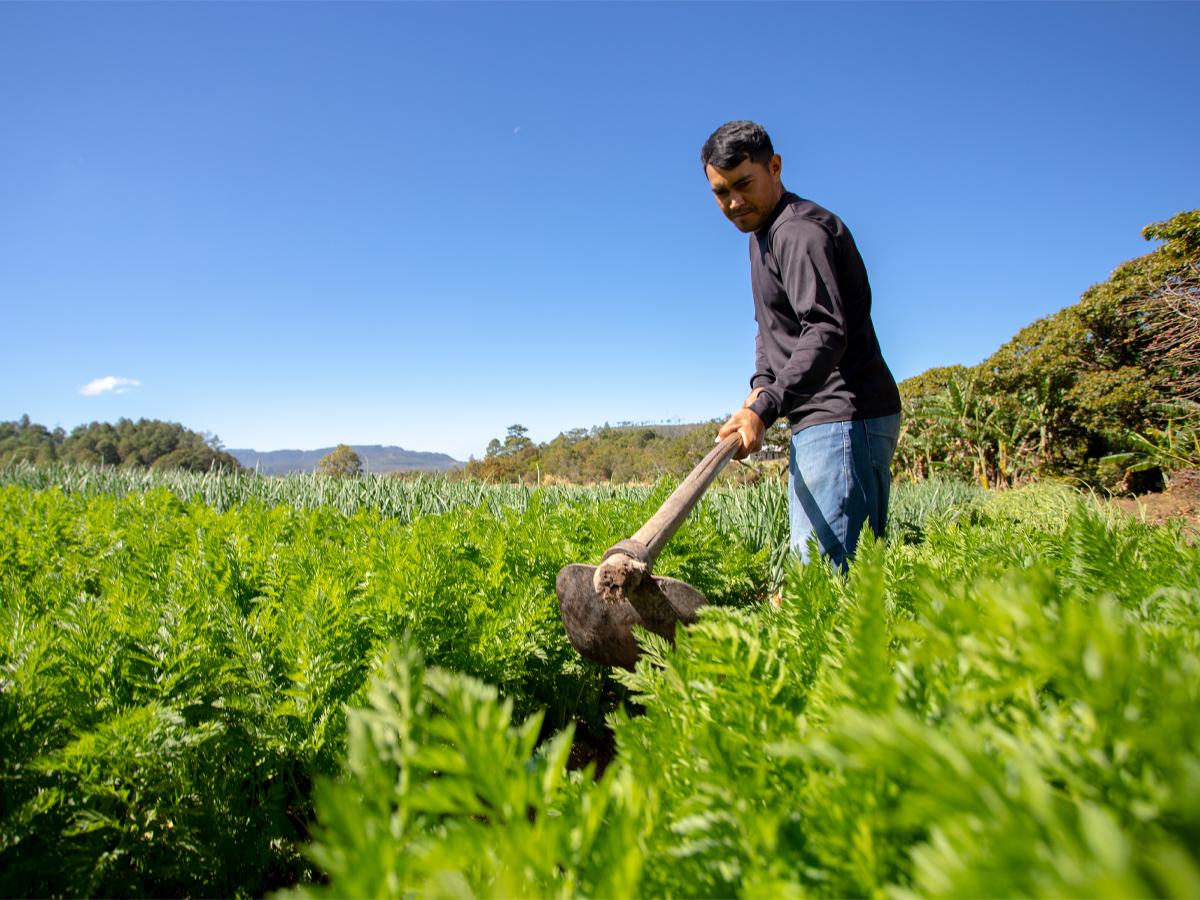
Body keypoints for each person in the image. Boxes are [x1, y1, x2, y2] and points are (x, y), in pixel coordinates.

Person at [705, 120, 902, 568]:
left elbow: (824, 331)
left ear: (774, 167)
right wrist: (761, 383)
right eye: (721, 192)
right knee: (829, 572)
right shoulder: (762, 235)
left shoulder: (797, 232)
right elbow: (770, 325)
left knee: (827, 579)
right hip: (820, 415)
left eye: (743, 185)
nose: (734, 202)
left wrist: (766, 407)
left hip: (842, 415)